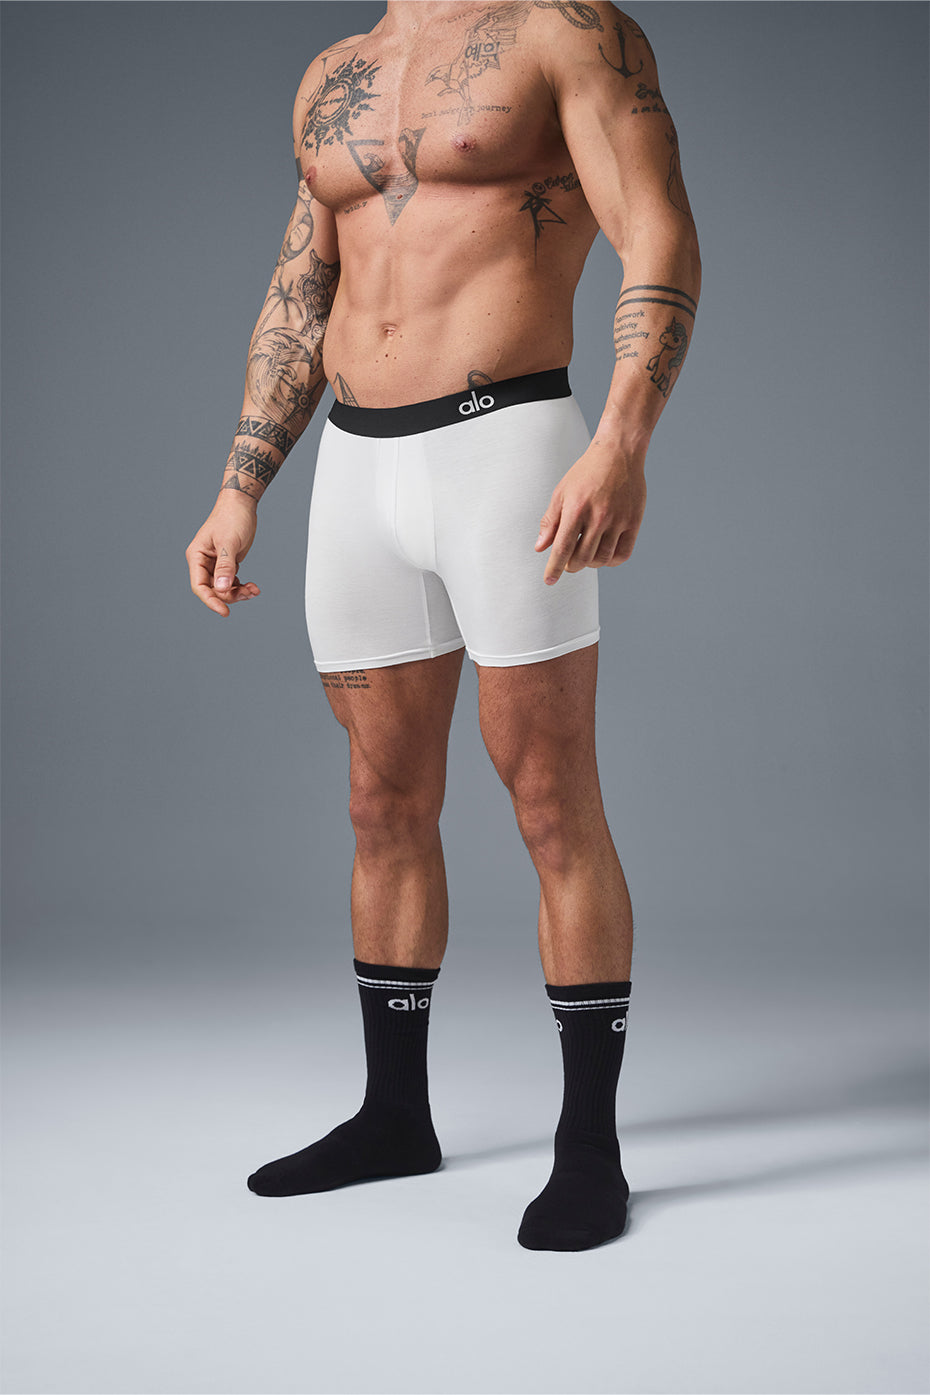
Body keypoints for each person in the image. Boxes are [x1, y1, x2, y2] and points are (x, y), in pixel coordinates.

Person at [185, 0, 700, 1252]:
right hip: (356, 466)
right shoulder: (336, 70)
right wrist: (242, 484)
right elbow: (304, 280)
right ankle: (394, 1117)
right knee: (381, 803)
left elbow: (658, 230)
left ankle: (590, 1151)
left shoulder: (566, 30)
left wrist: (623, 442)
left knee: (550, 801)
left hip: (506, 446)